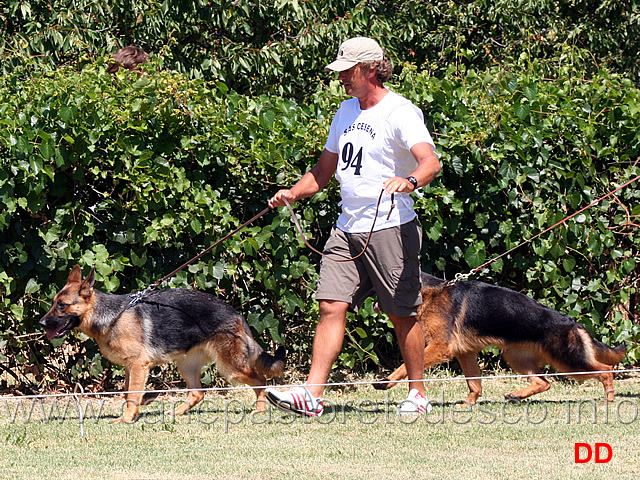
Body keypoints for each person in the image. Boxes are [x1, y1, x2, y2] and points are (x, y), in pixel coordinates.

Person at [265, 37, 441, 417]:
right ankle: (312, 394)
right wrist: (293, 193)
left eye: (349, 70)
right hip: (347, 227)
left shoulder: (400, 111)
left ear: (371, 69)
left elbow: (430, 162)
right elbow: (323, 171)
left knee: (402, 313)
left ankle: (417, 394)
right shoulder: (345, 111)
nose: (342, 77)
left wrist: (409, 181)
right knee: (330, 304)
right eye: (341, 71)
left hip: (392, 226)